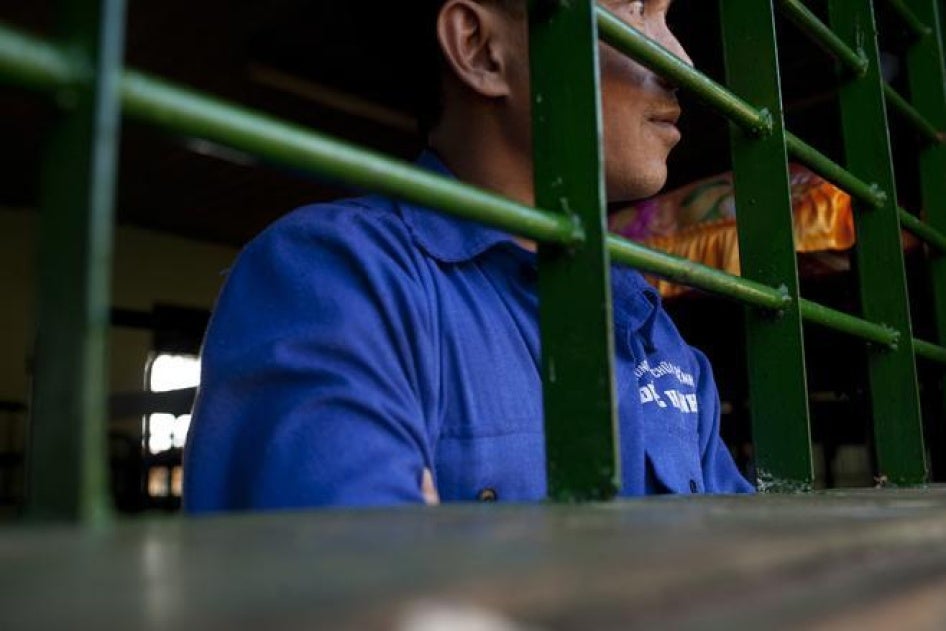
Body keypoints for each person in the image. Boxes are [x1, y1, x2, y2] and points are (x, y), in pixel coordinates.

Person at [183, 0, 754, 512]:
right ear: (480, 49)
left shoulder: (647, 322)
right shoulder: (334, 278)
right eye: (635, 10)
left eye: (666, 17)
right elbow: (355, 580)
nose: (682, 62)